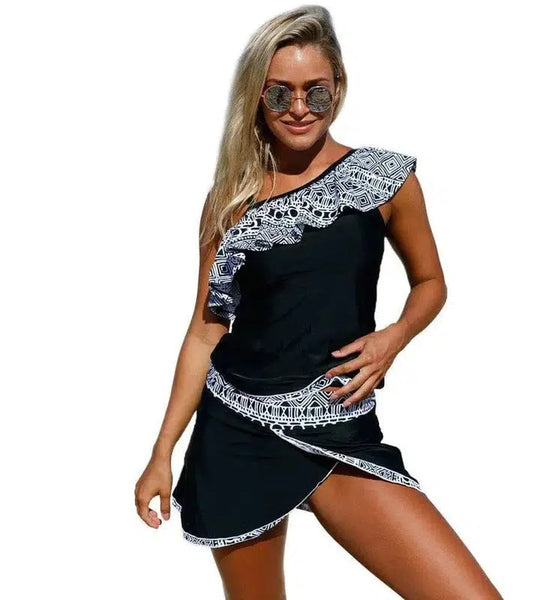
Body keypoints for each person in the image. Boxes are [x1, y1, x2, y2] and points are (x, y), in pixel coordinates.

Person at [135, 6, 504, 599]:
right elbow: (205, 331)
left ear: (340, 88)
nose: (299, 108)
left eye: (316, 91)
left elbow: (431, 282)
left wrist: (394, 338)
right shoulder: (231, 199)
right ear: (257, 97)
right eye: (279, 93)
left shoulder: (384, 178)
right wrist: (162, 452)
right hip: (236, 430)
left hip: (340, 425)